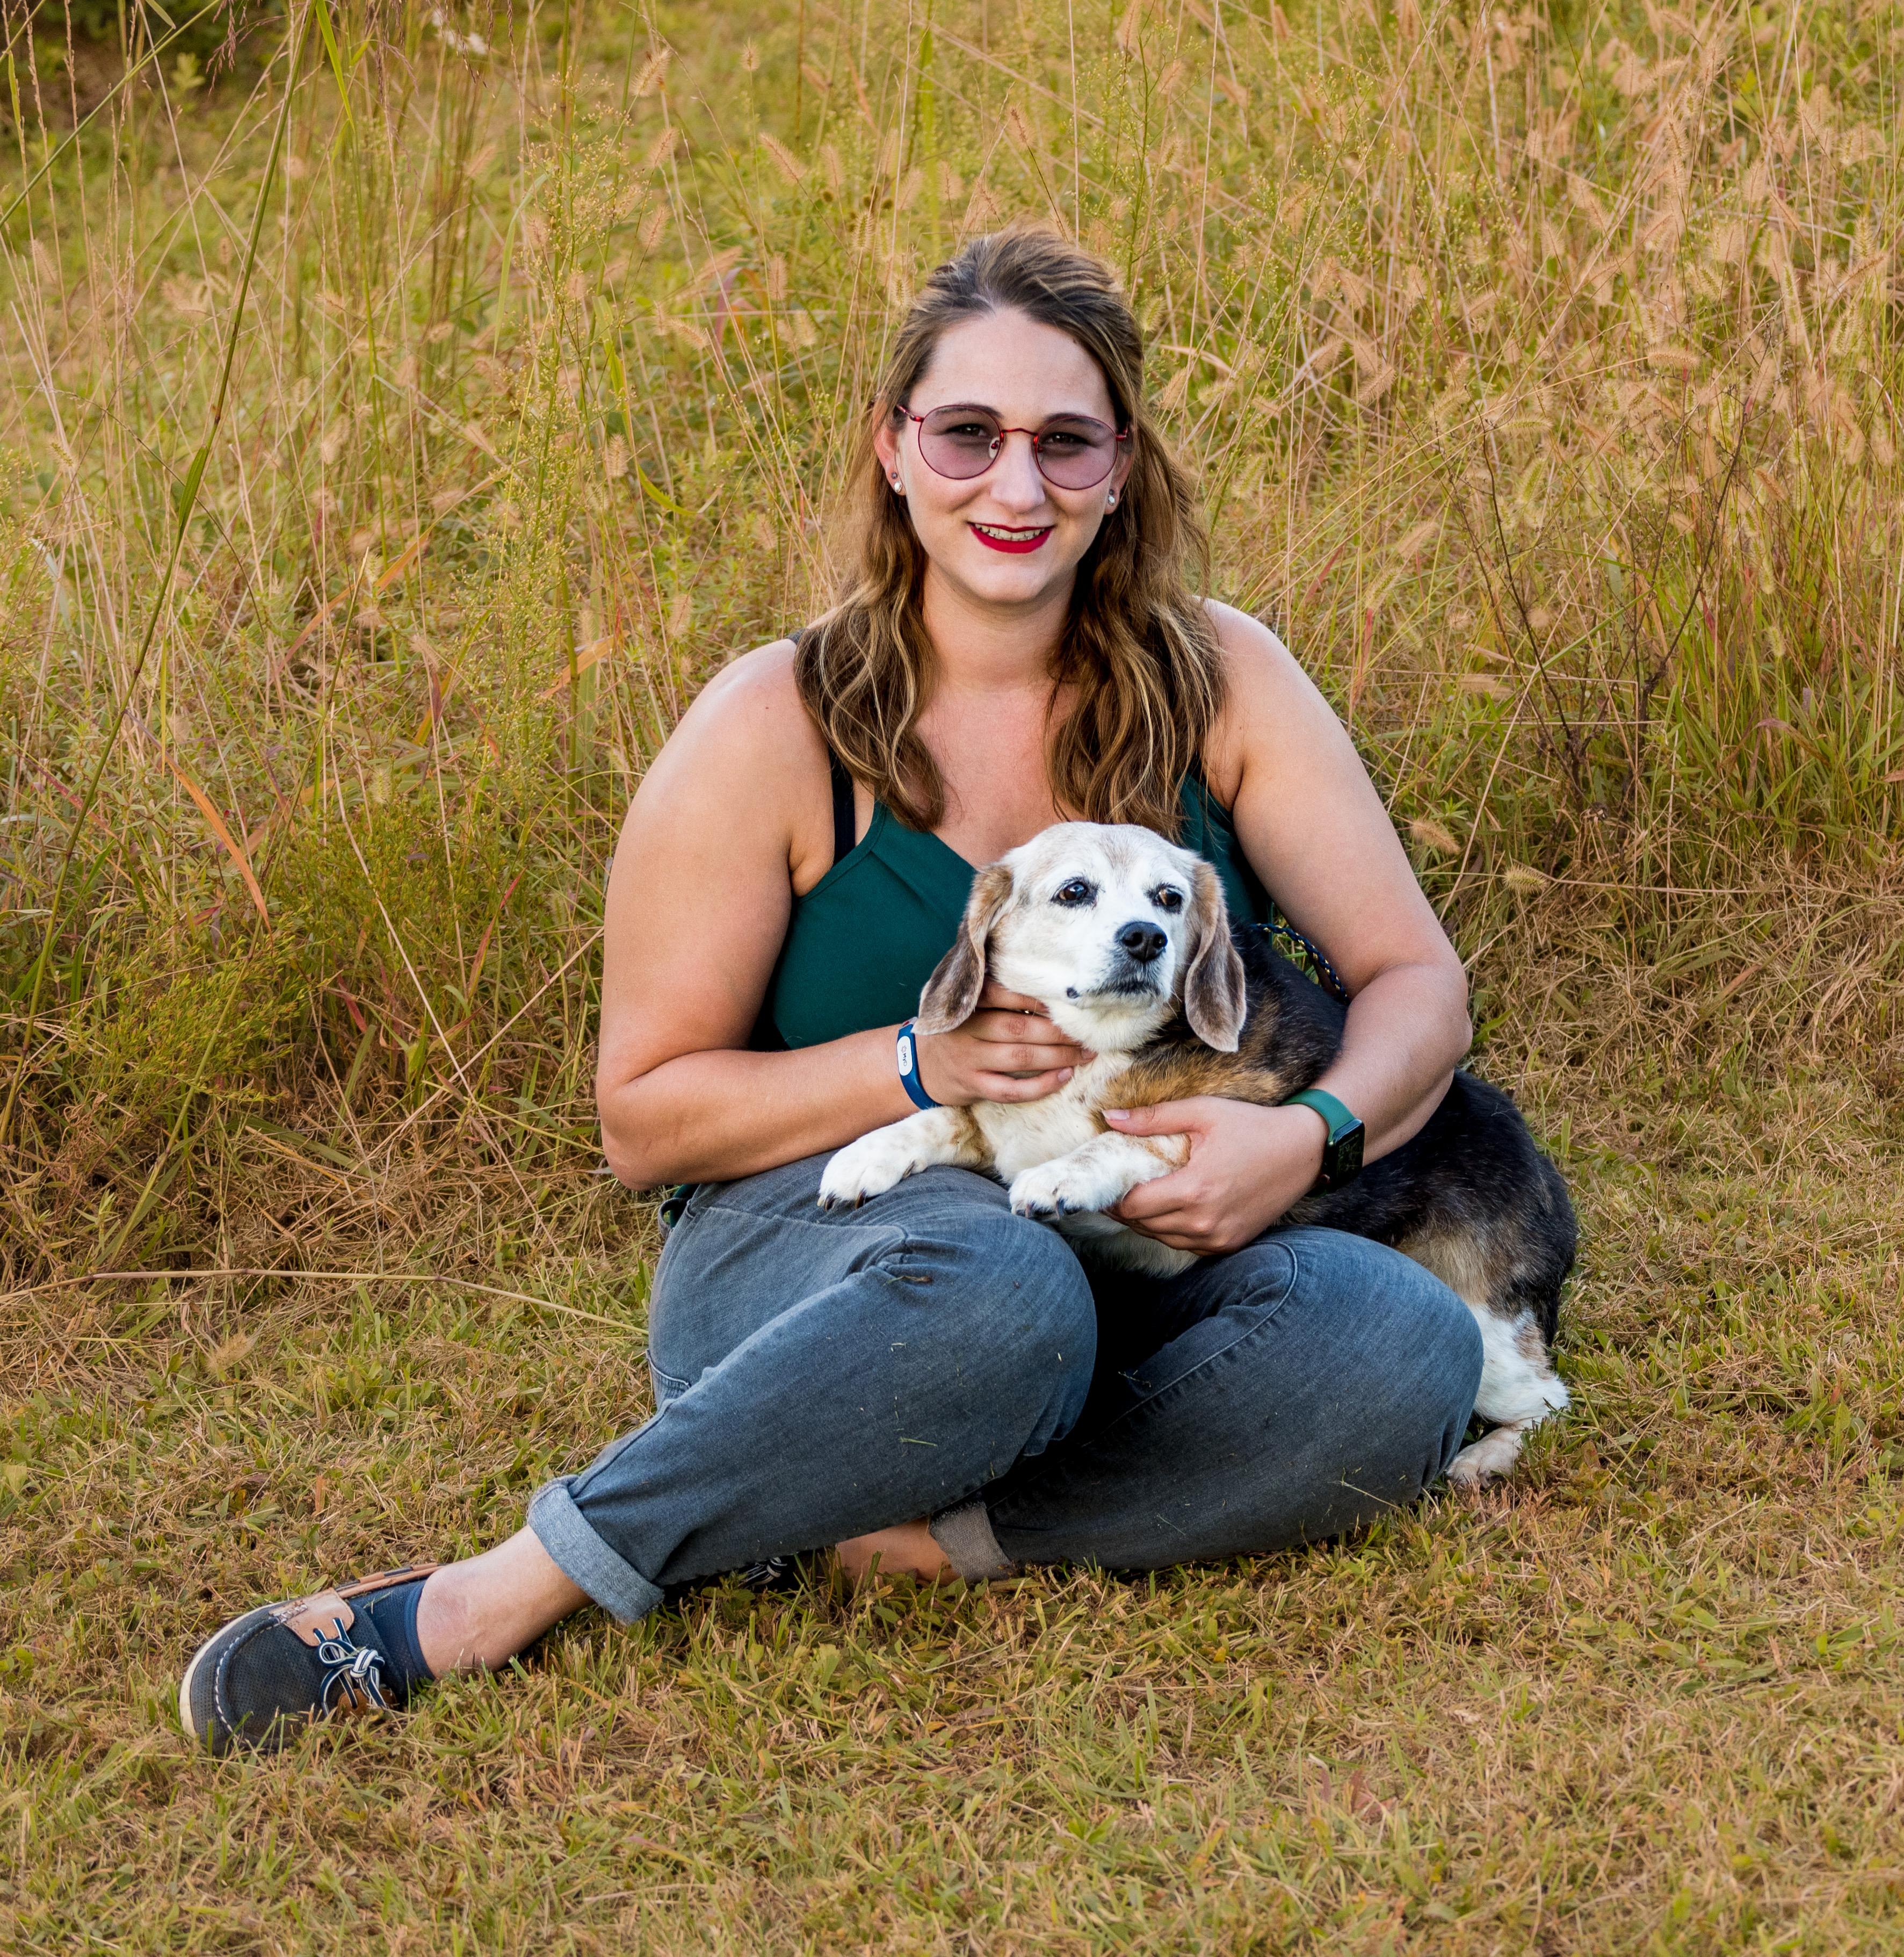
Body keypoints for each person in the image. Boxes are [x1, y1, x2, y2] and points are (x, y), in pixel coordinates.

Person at [180, 227, 1482, 1753]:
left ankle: (923, 1534)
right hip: (847, 1256)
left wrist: (1307, 1137)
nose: (1016, 486)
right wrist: (922, 1064)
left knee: (1403, 1341)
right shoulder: (772, 723)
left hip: (1146, 1238)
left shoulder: (1222, 678)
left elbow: (1416, 983)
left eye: (1065, 441)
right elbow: (645, 1120)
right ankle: (500, 1592)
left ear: (1121, 466)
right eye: (968, 433)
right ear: (892, 448)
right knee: (1005, 1292)